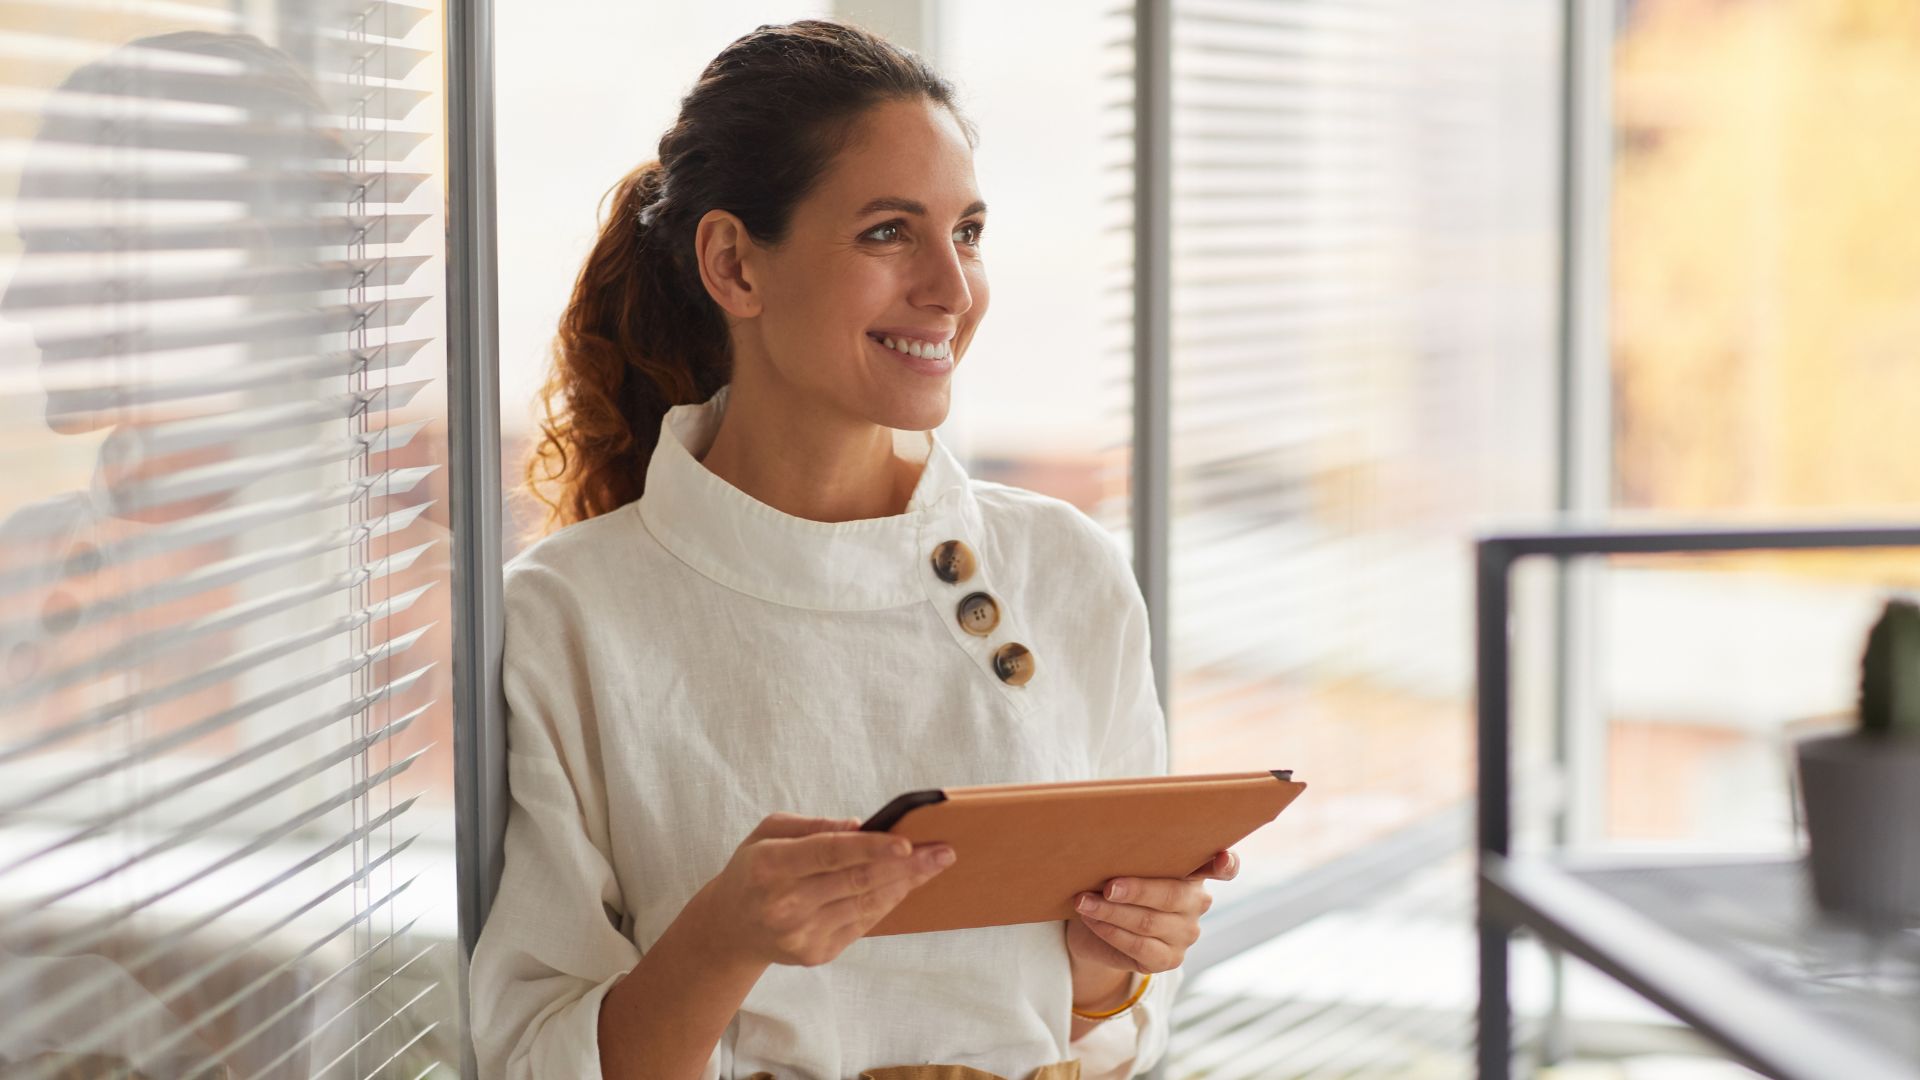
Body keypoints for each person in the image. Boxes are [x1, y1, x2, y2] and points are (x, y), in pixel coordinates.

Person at [469, 20, 1241, 1080]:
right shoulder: (569, 613)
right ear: (735, 264)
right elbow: (530, 1055)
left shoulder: (1066, 569)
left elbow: (1097, 1029)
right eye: (888, 233)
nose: (952, 289)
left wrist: (1113, 961)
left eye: (967, 232)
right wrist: (723, 937)